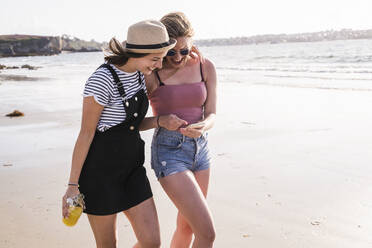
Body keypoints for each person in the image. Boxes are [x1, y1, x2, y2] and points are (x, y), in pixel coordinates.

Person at [62, 20, 177, 248]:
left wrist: (160, 121)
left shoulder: (139, 74)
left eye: (162, 57)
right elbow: (86, 134)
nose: (158, 64)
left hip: (133, 171)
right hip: (99, 176)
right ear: (134, 52)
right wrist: (72, 186)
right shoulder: (101, 80)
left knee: (152, 242)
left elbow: (130, 125)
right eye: (155, 59)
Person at [145, 12, 217, 248]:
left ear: (192, 44)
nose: (178, 57)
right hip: (169, 152)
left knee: (187, 227)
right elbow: (130, 121)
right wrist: (161, 121)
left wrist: (203, 126)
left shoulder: (205, 66)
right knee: (207, 234)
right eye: (172, 51)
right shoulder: (152, 73)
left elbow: (212, 114)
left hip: (201, 150)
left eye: (184, 50)